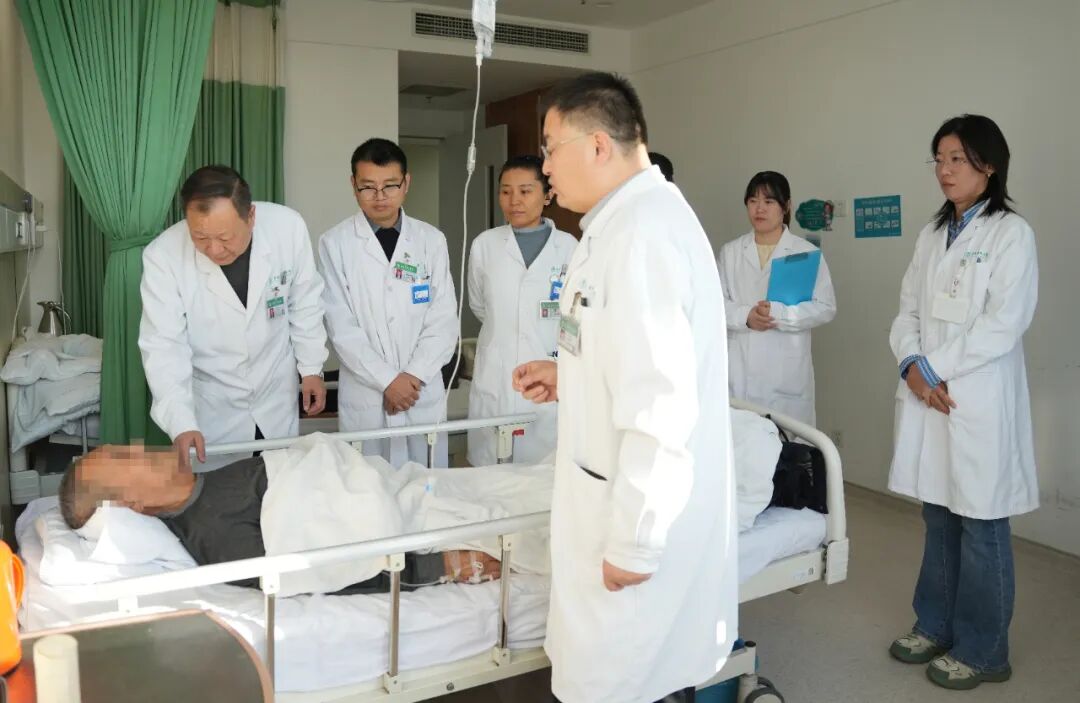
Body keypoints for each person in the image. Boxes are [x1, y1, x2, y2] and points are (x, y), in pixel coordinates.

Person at [513, 72, 735, 703]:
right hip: (600, 491)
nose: (544, 167)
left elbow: (661, 407)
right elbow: (627, 353)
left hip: (630, 531)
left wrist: (635, 544)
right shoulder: (616, 227)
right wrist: (571, 375)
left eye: (550, 148)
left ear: (598, 145)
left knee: (625, 680)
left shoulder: (643, 236)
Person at [887, 115, 1038, 691]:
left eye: (957, 159)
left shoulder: (1010, 234)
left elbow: (1005, 323)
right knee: (939, 517)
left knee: (981, 525)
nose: (945, 170)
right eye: (940, 159)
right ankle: (935, 625)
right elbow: (907, 310)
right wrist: (911, 364)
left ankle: (984, 650)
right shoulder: (932, 236)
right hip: (930, 394)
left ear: (989, 165)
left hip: (976, 398)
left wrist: (934, 368)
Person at [57, 444, 501, 592]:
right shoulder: (216, 537)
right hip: (402, 517)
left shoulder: (205, 487)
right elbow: (322, 568)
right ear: (132, 504)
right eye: (126, 459)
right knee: (514, 516)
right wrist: (439, 565)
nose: (138, 447)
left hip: (395, 486)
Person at [140, 166, 328, 471]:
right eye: (200, 237)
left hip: (274, 391)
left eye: (225, 237)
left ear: (250, 216)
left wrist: (311, 368)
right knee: (220, 492)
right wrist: (180, 421)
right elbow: (164, 346)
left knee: (279, 482)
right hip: (214, 404)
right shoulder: (163, 257)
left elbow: (305, 301)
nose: (214, 249)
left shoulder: (287, 228)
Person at [319, 139, 458, 468]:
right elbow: (341, 327)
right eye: (368, 187)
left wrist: (412, 377)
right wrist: (388, 381)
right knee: (369, 486)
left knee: (428, 486)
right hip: (368, 393)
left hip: (420, 390)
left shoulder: (431, 240)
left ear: (406, 183)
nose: (380, 196)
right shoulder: (335, 243)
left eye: (390, 185)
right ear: (353, 185)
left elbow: (443, 320)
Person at [466, 155, 577, 466]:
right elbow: (479, 304)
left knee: (543, 478)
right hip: (496, 380)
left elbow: (576, 317)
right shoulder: (485, 245)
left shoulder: (570, 247)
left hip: (547, 380)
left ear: (547, 194)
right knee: (489, 479)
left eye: (525, 191)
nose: (514, 200)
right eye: (505, 191)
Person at [716, 171, 836, 425]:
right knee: (744, 442)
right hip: (740, 373)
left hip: (786, 379)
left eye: (768, 201)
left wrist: (779, 314)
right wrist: (746, 316)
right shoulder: (731, 252)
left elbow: (826, 307)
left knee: (787, 444)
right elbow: (715, 304)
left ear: (786, 206)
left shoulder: (805, 252)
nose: (759, 209)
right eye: (753, 201)